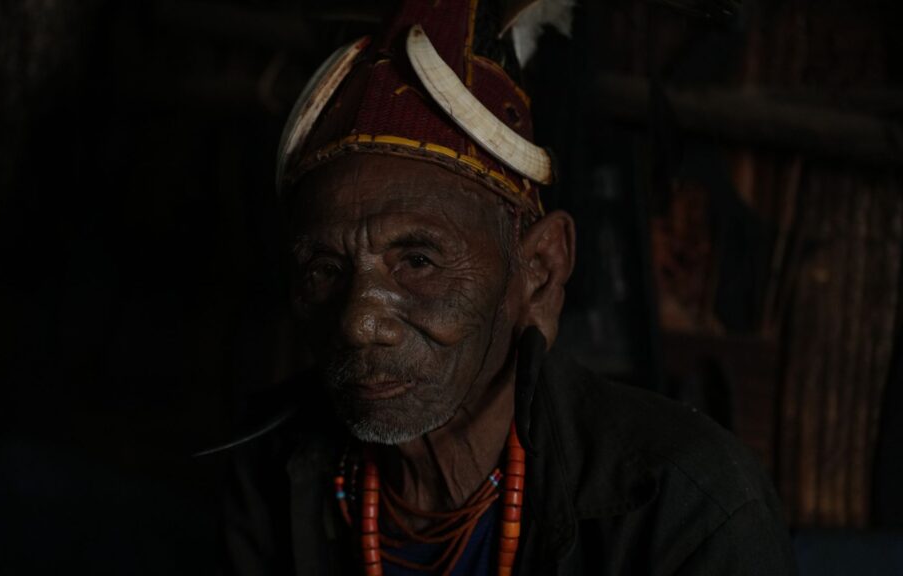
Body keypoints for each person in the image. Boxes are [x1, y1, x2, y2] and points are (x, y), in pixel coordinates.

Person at [216, 0, 796, 574]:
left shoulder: (689, 506)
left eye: (417, 260)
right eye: (323, 270)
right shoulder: (267, 470)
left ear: (539, 271)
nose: (358, 322)